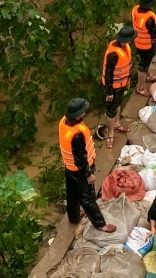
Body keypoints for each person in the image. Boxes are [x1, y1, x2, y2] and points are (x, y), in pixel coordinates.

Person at [59, 98, 117, 233]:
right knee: (88, 198)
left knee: (72, 193)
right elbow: (80, 158)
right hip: (80, 170)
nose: (85, 112)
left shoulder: (64, 122)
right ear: (78, 114)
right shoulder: (77, 134)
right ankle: (100, 224)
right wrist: (88, 174)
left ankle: (73, 217)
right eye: (83, 111)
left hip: (69, 167)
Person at [97, 25, 135, 146]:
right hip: (113, 86)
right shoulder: (113, 54)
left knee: (118, 104)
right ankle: (111, 133)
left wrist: (127, 82)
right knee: (111, 110)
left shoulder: (124, 47)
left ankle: (117, 124)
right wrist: (109, 92)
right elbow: (108, 74)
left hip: (121, 84)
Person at [131, 0, 156, 96]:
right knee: (142, 66)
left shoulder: (135, 9)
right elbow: (155, 33)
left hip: (137, 42)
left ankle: (149, 76)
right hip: (147, 45)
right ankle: (140, 88)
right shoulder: (150, 17)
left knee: (144, 61)